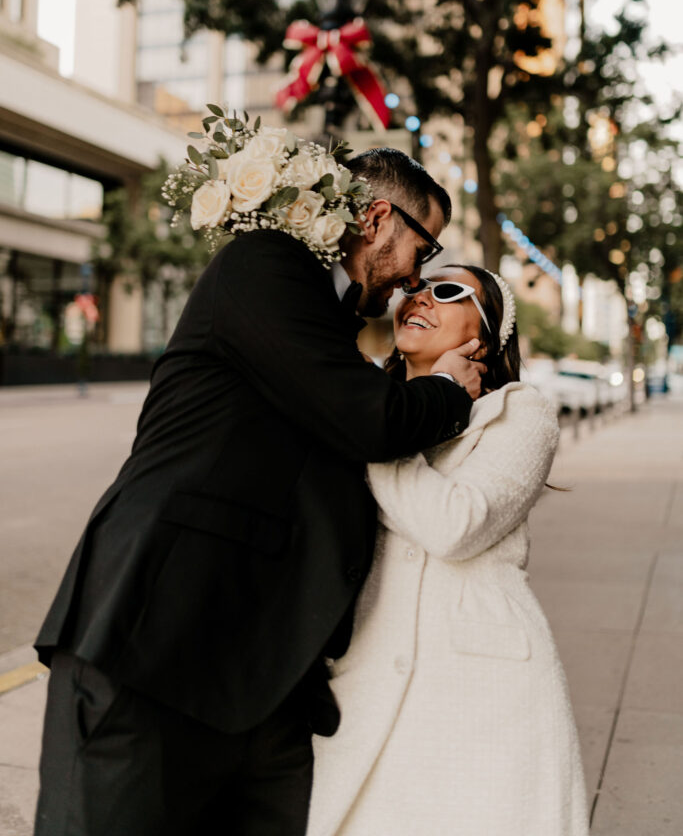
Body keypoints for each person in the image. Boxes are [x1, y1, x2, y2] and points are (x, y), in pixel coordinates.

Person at [33, 148, 486, 836]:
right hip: (155, 647)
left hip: (262, 680)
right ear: (375, 219)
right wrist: (449, 388)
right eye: (422, 250)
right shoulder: (267, 265)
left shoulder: (330, 333)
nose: (414, 279)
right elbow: (371, 421)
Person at [307, 265, 590, 836]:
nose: (419, 297)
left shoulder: (517, 414)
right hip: (363, 673)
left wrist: (378, 425)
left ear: (483, 336)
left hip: (483, 692)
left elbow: (455, 524)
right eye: (414, 286)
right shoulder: (361, 402)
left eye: (447, 291)